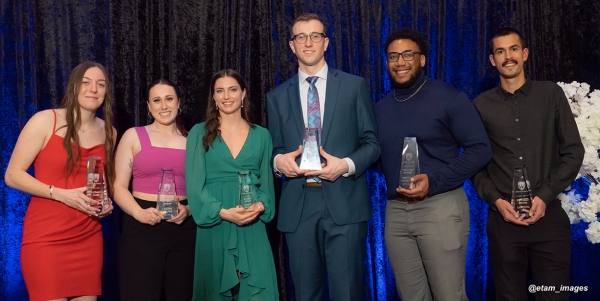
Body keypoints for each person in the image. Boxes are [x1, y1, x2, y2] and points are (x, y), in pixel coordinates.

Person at [266, 13, 379, 301]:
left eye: (315, 35)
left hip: (344, 204)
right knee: (305, 294)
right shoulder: (276, 97)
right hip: (299, 207)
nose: (308, 42)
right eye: (300, 37)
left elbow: (372, 143)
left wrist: (346, 165)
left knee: (348, 293)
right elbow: (276, 149)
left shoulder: (354, 87)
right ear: (291, 45)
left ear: (325, 42)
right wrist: (280, 163)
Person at [375, 29, 492, 301]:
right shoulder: (379, 109)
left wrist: (435, 180)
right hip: (396, 212)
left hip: (439, 207)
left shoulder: (449, 98)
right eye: (393, 56)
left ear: (423, 59)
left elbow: (480, 149)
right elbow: (378, 159)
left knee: (449, 296)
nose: (400, 62)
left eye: (408, 54)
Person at [472, 27, 584, 301]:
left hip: (549, 217)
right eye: (500, 51)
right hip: (504, 221)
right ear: (492, 60)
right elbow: (475, 164)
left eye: (513, 49)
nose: (507, 56)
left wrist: (545, 196)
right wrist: (496, 201)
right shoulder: (480, 105)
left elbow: (573, 151)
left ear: (525, 54)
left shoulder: (551, 94)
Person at [4, 61, 116, 301]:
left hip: (88, 237)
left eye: (100, 84)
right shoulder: (45, 120)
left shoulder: (110, 132)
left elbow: (98, 181)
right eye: (85, 83)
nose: (93, 89)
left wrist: (105, 203)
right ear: (74, 87)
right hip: (46, 238)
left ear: (106, 91)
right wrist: (60, 193)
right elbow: (12, 175)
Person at [186, 69, 278, 300]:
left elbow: (267, 189)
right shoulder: (198, 133)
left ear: (243, 93)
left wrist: (259, 207)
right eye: (220, 91)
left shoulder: (262, 136)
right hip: (215, 227)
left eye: (232, 89)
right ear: (214, 97)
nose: (227, 96)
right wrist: (223, 212)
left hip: (252, 227)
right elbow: (195, 188)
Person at [113, 79, 195, 300]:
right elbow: (117, 186)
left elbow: (203, 188)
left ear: (179, 103)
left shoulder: (193, 141)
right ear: (148, 106)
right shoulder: (133, 135)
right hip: (141, 225)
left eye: (169, 99)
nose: (164, 106)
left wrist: (187, 211)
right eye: (156, 100)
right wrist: (139, 213)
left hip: (184, 227)